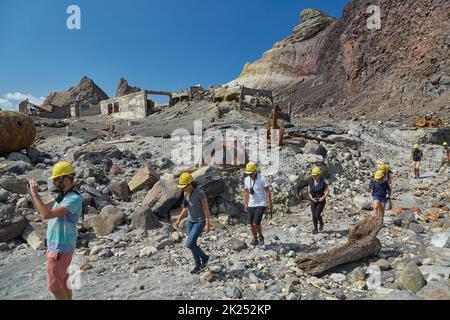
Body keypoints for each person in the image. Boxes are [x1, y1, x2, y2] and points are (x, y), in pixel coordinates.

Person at [28, 161, 83, 300]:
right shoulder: (64, 195)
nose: (53, 182)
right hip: (60, 247)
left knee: (54, 286)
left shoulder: (73, 198)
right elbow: (41, 209)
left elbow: (46, 215)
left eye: (55, 180)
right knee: (63, 280)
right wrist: (32, 193)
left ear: (64, 179)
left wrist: (35, 194)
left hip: (60, 248)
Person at [175, 172, 210, 275]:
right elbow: (185, 208)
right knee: (193, 244)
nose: (183, 189)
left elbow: (206, 209)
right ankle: (198, 265)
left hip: (200, 221)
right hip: (190, 221)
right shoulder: (186, 193)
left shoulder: (200, 193)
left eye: (184, 186)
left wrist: (207, 223)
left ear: (191, 184)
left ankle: (205, 257)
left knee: (189, 244)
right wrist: (179, 219)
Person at [243, 162, 273, 246]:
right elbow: (245, 192)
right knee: (251, 223)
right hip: (251, 204)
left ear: (255, 171)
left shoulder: (262, 178)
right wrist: (245, 203)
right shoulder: (246, 180)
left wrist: (270, 203)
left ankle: (260, 236)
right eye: (248, 173)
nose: (249, 175)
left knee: (256, 223)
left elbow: (267, 192)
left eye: (251, 173)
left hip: (261, 203)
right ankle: (254, 238)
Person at [307, 167, 330, 234]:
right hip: (313, 200)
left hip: (321, 201)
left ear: (318, 175)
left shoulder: (323, 183)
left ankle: (321, 223)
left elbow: (327, 190)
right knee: (314, 215)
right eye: (313, 175)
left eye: (315, 175)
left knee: (317, 214)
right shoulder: (310, 182)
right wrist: (311, 198)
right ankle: (315, 229)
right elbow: (309, 192)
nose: (314, 176)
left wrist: (323, 197)